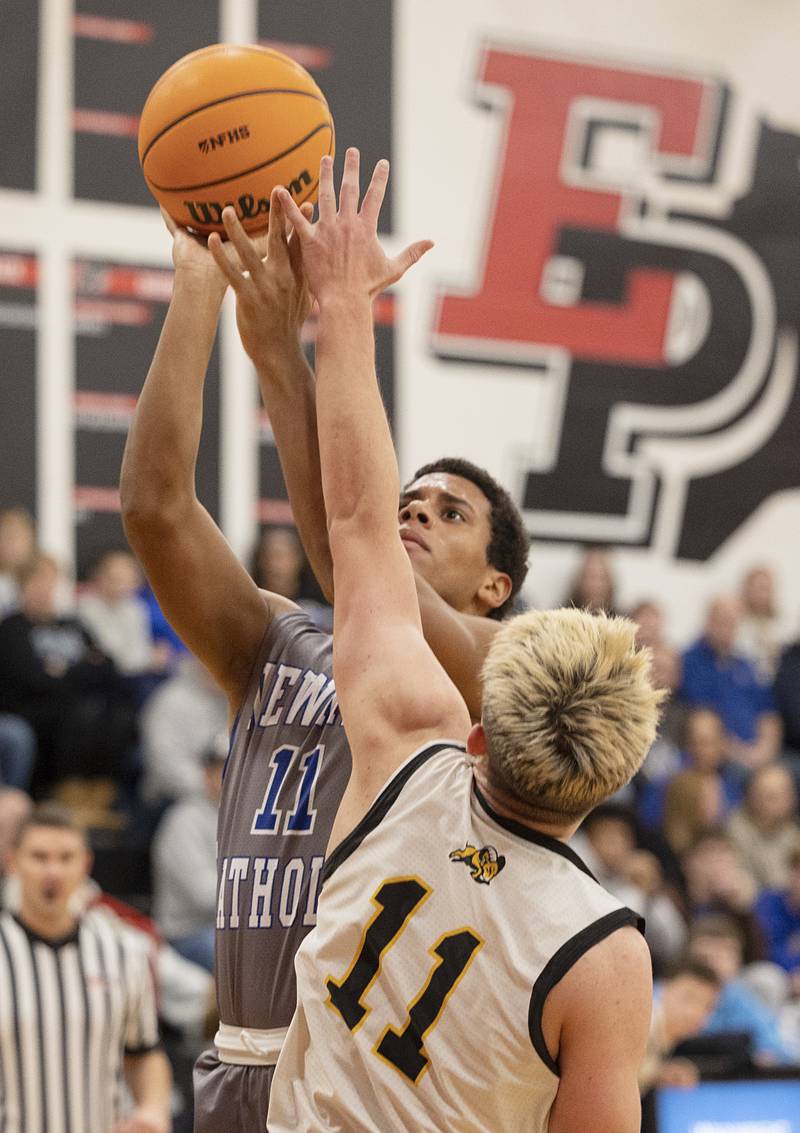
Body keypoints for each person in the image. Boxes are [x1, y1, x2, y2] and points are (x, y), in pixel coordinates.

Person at [266, 150, 660, 1132]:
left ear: (478, 733)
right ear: (606, 784)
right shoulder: (604, 951)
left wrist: (342, 304)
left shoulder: (409, 743)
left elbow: (359, 518)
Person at [120, 187, 529, 1129]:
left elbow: (353, 546)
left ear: (498, 584)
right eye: (410, 498)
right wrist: (198, 287)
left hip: (372, 1081)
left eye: (450, 510)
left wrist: (285, 352)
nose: (416, 510)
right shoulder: (276, 639)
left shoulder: (497, 666)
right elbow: (154, 509)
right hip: (240, 1060)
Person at [0, 803, 172, 1132]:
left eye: (66, 858)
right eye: (39, 857)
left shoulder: (123, 951)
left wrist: (152, 1110)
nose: (53, 871)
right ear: (13, 863)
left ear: (86, 864)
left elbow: (144, 1052)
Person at [680, 596, 782, 769]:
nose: (728, 627)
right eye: (723, 620)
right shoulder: (690, 662)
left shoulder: (747, 664)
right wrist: (742, 755)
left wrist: (764, 750)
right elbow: (703, 722)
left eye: (733, 621)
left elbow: (768, 714)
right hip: (720, 757)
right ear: (708, 620)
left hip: (759, 755)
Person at [152, 736, 225, 973]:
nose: (232, 775)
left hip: (231, 928)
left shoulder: (249, 819)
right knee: (241, 960)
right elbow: (204, 896)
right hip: (187, 933)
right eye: (222, 767)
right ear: (207, 773)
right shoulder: (184, 820)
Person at [638, 959, 721, 1093]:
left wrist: (658, 1073)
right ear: (661, 988)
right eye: (689, 998)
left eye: (707, 1006)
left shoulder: (659, 1044)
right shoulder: (642, 1027)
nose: (695, 1012)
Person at [728, 763, 800, 890]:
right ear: (751, 796)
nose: (767, 801)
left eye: (781, 794)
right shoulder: (734, 831)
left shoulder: (793, 827)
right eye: (768, 795)